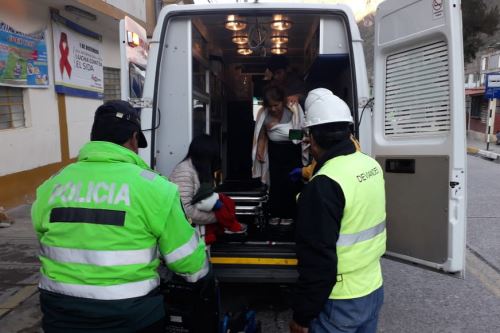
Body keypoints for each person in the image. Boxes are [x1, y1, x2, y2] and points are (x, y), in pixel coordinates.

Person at [31, 100, 209, 333]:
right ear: (134, 138)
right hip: (130, 316)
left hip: (60, 314)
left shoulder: (52, 184)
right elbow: (188, 261)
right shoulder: (155, 188)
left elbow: (44, 235)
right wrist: (202, 273)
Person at [290, 88, 386, 333]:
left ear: (313, 136)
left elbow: (318, 263)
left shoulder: (324, 184)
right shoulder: (370, 165)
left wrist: (302, 316)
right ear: (348, 131)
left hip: (340, 299)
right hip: (372, 288)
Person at [169, 134, 246, 244]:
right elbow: (185, 211)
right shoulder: (184, 172)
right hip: (185, 239)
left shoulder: (197, 169)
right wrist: (218, 217)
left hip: (195, 236)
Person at [252, 85, 306, 225]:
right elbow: (262, 134)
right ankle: (275, 213)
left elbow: (301, 135)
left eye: (276, 105)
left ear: (283, 101)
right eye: (270, 106)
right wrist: (260, 150)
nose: (273, 109)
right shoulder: (264, 113)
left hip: (292, 151)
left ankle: (289, 214)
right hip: (274, 151)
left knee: (291, 182)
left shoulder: (293, 110)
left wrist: (278, 127)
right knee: (275, 182)